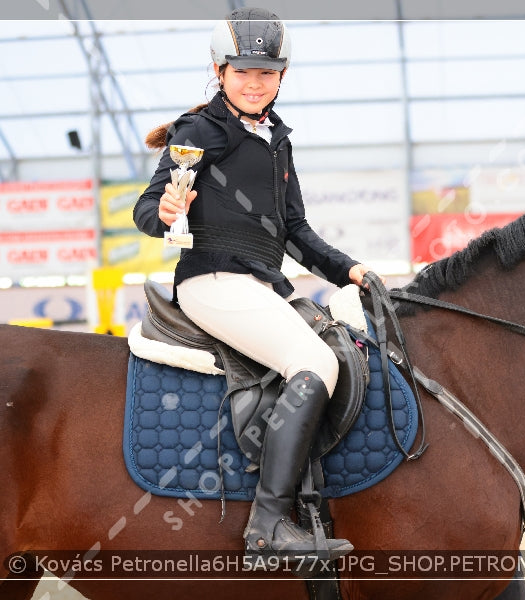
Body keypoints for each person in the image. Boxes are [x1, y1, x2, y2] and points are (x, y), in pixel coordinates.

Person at [133, 7, 374, 562]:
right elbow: (148, 211)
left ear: (281, 77)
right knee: (317, 365)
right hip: (212, 279)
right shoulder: (199, 132)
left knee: (344, 348)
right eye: (242, 72)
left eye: (266, 73)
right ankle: (267, 525)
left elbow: (295, 230)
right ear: (219, 71)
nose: (254, 82)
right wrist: (169, 210)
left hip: (264, 286)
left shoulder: (278, 141)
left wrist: (350, 270)